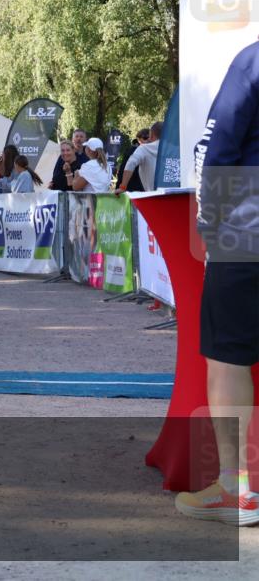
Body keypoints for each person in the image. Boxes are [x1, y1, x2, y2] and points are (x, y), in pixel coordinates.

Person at [174, 40, 259, 526]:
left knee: (227, 358)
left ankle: (235, 488)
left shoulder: (251, 61)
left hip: (246, 233)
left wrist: (209, 227)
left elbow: (216, 147)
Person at [118, 122, 162, 193]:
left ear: (151, 135)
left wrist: (123, 187)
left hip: (152, 195)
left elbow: (130, 164)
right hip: (175, 195)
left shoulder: (143, 149)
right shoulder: (175, 149)